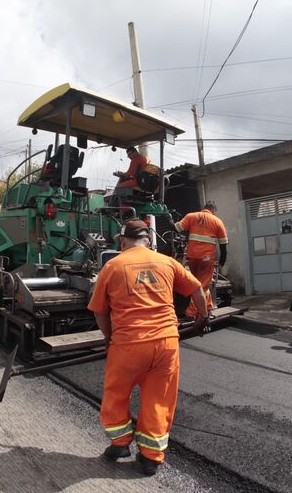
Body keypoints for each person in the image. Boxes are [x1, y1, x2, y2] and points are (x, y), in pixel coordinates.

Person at [87, 219, 208, 476]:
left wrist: (109, 338)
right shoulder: (167, 262)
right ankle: (151, 458)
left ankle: (120, 444)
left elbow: (99, 310)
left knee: (116, 394)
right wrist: (202, 318)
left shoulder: (113, 265)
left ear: (122, 241)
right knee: (159, 399)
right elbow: (197, 288)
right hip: (166, 344)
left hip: (128, 345)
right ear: (147, 240)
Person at [174, 202, 228, 319]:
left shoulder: (191, 216)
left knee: (198, 282)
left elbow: (176, 228)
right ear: (213, 210)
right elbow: (223, 245)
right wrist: (222, 262)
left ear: (204, 208)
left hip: (192, 257)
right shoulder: (217, 221)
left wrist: (168, 218)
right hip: (206, 258)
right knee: (202, 285)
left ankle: (208, 306)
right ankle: (192, 312)